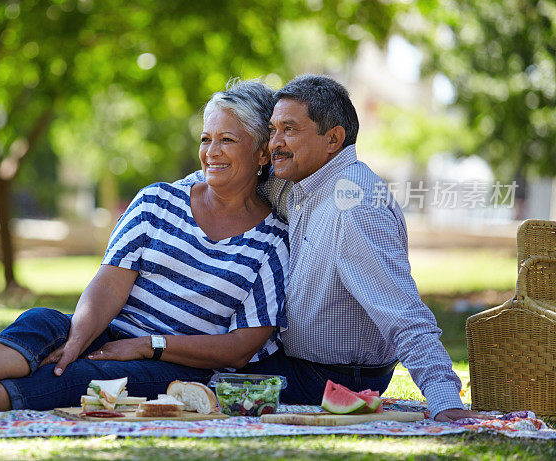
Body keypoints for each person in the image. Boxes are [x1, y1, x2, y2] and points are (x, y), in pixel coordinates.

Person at [0, 79, 291, 418]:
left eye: (227, 140)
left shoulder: (273, 240)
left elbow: (241, 348)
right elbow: (108, 286)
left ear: (260, 153)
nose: (211, 152)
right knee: (45, 322)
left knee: (83, 378)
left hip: (177, 365)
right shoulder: (157, 202)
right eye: (206, 139)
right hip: (110, 331)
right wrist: (79, 337)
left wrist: (149, 346)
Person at [182, 74, 486, 422]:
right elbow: (234, 175)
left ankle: (109, 369)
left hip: (334, 376)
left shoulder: (354, 206)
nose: (274, 143)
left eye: (290, 130)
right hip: (300, 363)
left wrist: (446, 402)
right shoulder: (298, 185)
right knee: (191, 357)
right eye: (272, 130)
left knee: (187, 377)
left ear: (333, 139)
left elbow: (403, 312)